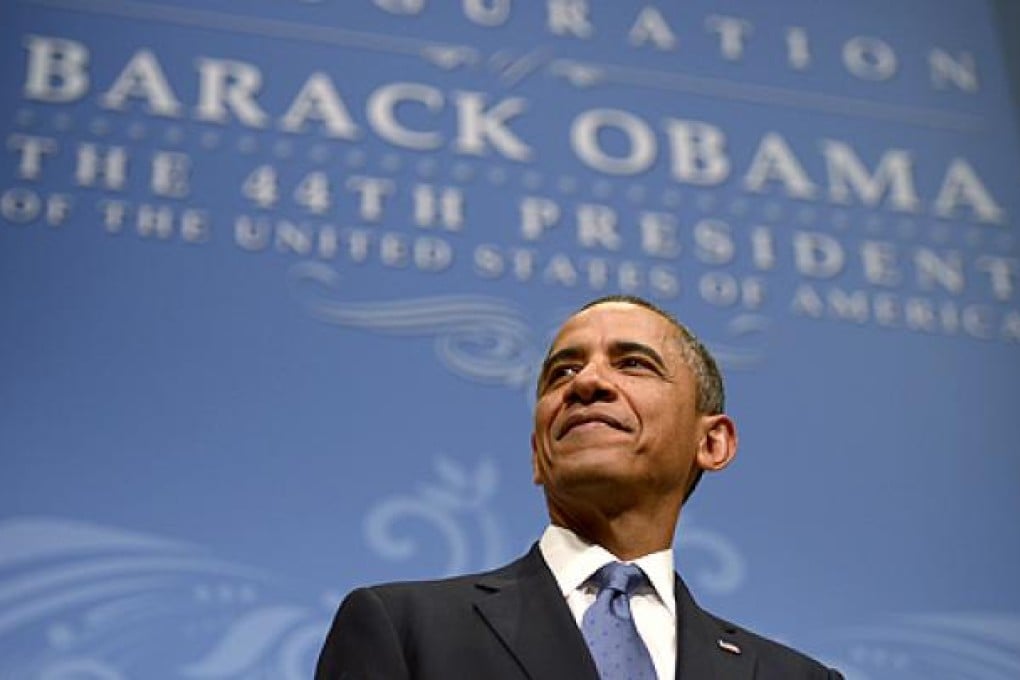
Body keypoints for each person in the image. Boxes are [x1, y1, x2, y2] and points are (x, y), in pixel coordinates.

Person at [316, 294, 843, 679]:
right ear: (537, 453)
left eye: (634, 363)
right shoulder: (406, 630)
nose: (585, 383)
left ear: (712, 443)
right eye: (561, 372)